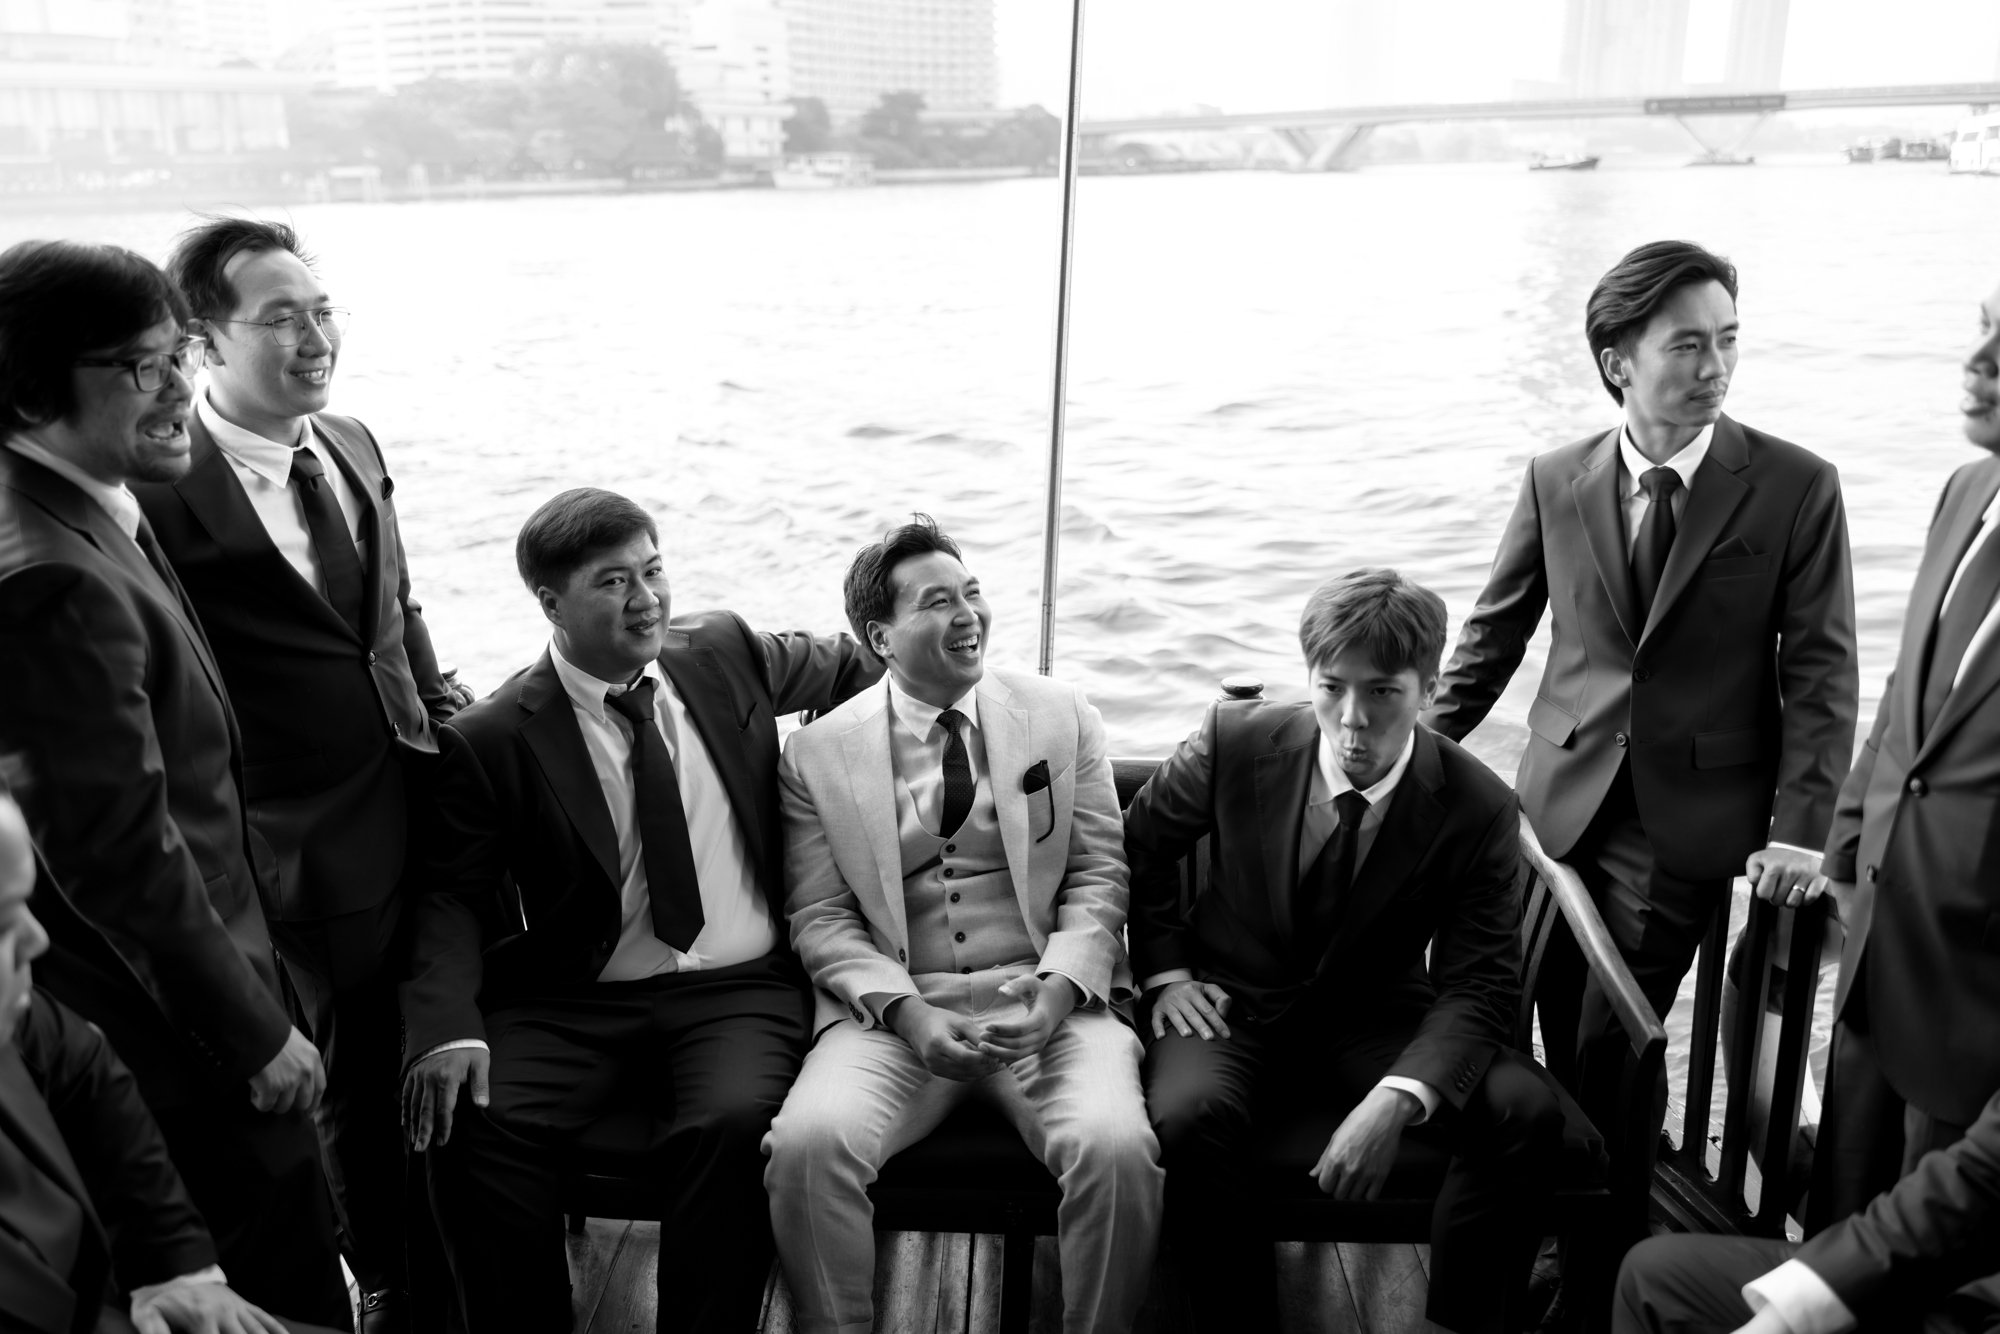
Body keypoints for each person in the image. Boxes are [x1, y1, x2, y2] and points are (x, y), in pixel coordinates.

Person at [399, 487, 881, 1332]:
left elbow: (860, 662)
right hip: (571, 999)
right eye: (614, 582)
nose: (647, 599)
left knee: (731, 1124)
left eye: (653, 571)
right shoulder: (493, 735)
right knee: (476, 1120)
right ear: (551, 603)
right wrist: (445, 1028)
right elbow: (448, 896)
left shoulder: (724, 650)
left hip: (736, 988)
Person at [1424, 240, 1858, 1140]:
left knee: (1610, 1036)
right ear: (1618, 362)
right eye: (1687, 345)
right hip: (1553, 801)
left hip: (1689, 819)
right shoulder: (1556, 477)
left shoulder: (1796, 486)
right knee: (1541, 1011)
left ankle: (1606, 1210)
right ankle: (1590, 1183)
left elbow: (1822, 673)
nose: (1715, 367)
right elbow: (1494, 635)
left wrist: (1799, 834)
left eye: (1727, 340)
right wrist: (1415, 751)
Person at [0, 240, 349, 1326]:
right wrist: (251, 1033)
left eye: (178, 357)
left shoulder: (78, 506)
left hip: (193, 1006)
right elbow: (116, 854)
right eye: (141, 368)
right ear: (32, 391)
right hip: (183, 1051)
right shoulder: (53, 576)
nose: (177, 391)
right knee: (280, 1291)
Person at [132, 216, 465, 1333]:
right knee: (345, 1082)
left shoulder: (353, 442)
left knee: (433, 1036)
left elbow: (392, 610)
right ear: (201, 342)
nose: (315, 338)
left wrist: (445, 720)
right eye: (280, 319)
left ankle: (447, 1259)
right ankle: (384, 1285)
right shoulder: (161, 487)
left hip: (417, 796)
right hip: (292, 843)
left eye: (322, 311)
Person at [1123, 568, 1564, 1334]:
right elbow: (1142, 843)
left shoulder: (1478, 805)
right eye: (1332, 688)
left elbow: (1480, 984)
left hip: (1375, 1016)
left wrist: (1398, 1099)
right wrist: (1166, 972)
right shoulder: (1235, 739)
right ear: (1310, 680)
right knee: (1189, 1117)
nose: (1353, 720)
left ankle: (1459, 1326)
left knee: (1523, 1111)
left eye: (1383, 692)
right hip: (1229, 1005)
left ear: (1429, 689)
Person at [762, 515, 1163, 1334]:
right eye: (937, 602)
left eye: (971, 592)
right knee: (806, 1147)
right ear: (881, 636)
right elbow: (822, 916)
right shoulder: (815, 754)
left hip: (1050, 1005)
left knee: (1118, 1149)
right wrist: (908, 1014)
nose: (967, 614)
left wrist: (1057, 992)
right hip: (895, 1014)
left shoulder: (1061, 714)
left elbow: (1098, 873)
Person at [0, 792, 344, 1334]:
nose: (36, 938)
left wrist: (174, 1266)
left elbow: (84, 1066)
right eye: (2, 922)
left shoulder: (25, 1019)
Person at [1807, 277, 2000, 1236]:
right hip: (1879, 947)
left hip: (1978, 998)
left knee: (1925, 1261)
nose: (1979, 363)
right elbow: (1903, 702)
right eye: (1984, 329)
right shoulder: (1966, 491)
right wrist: (1845, 852)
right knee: (1838, 1216)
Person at [1613, 1083, 2000, 1334]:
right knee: (1651, 1275)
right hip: (1909, 1261)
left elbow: (1980, 1177)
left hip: (1975, 1299)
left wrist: (1793, 1309)